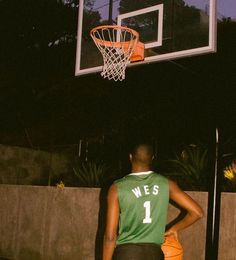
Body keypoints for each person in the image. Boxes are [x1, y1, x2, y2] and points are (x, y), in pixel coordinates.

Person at [103, 143, 204, 260]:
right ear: (152, 158)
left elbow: (110, 237)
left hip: (127, 254)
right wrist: (175, 228)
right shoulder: (167, 184)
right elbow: (197, 212)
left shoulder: (117, 188)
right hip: (154, 254)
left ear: (130, 157)